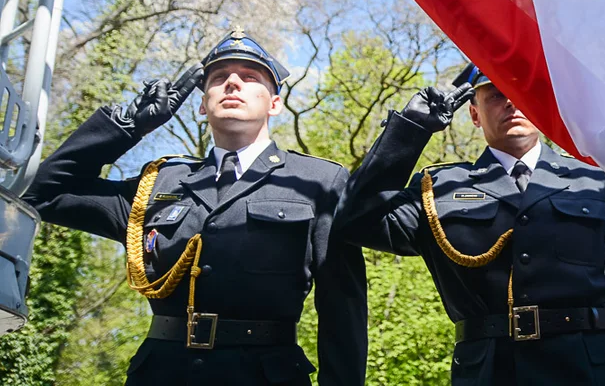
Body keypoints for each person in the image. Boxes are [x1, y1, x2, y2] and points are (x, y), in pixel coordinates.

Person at [22, 29, 365, 386]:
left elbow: (343, 309)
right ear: (202, 104)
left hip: (265, 375)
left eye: (249, 77)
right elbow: (43, 193)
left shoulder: (318, 180)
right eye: (218, 78)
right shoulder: (160, 182)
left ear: (274, 103)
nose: (232, 82)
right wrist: (129, 127)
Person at [333, 63, 605, 385]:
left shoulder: (596, 183)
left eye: (522, 91)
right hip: (487, 371)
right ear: (473, 113)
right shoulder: (437, 188)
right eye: (495, 93)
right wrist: (409, 130)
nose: (511, 102)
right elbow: (355, 220)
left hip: (585, 371)